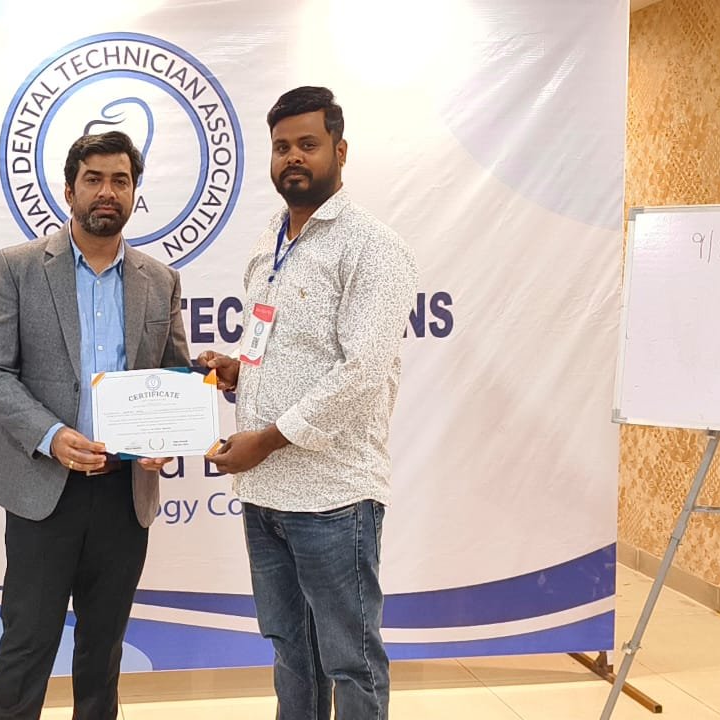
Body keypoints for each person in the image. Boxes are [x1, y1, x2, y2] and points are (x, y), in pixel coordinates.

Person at [200, 87, 418, 720]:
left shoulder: (372, 246)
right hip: (265, 495)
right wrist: (239, 372)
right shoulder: (272, 238)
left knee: (350, 660)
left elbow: (361, 373)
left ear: (340, 151)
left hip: (333, 498)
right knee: (291, 652)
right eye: (281, 147)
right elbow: (284, 347)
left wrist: (265, 439)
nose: (292, 157)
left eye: (307, 144)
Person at [0, 131, 190, 720]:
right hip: (44, 488)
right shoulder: (18, 267)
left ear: (135, 193)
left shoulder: (159, 279)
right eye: (93, 179)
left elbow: (172, 372)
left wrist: (165, 436)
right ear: (69, 191)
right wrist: (51, 436)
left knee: (103, 649)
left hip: (124, 493)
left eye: (121, 180)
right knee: (27, 643)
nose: (107, 192)